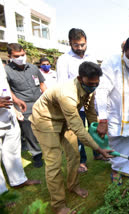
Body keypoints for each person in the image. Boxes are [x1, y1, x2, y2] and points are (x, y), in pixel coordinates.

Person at [30, 61, 114, 214]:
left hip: (64, 118)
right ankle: (58, 205)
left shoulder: (91, 86)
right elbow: (79, 129)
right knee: (54, 163)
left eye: (96, 83)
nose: (94, 86)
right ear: (80, 78)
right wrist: (98, 148)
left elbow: (89, 112)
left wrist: (97, 129)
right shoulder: (67, 93)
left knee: (74, 155)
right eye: (91, 83)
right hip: (45, 120)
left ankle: (73, 186)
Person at [96, 36, 129, 184]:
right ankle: (117, 169)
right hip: (117, 114)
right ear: (124, 50)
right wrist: (102, 119)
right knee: (119, 144)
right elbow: (102, 91)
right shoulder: (111, 63)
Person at [56, 28, 103, 174]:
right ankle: (81, 161)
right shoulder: (64, 60)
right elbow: (62, 85)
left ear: (86, 42)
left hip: (90, 100)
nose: (80, 48)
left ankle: (97, 153)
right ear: (70, 43)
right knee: (78, 133)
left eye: (82, 44)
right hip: (74, 103)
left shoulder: (91, 56)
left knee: (94, 127)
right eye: (76, 45)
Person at [0, 57, 40, 201]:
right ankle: (2, 192)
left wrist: (15, 101)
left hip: (8, 114)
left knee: (12, 152)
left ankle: (18, 181)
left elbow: (4, 85)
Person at [5, 43, 46, 168]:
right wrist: (15, 100)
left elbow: (42, 85)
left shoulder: (33, 68)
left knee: (45, 127)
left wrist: (48, 98)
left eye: (23, 55)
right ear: (10, 56)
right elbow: (6, 89)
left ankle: (49, 148)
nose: (21, 58)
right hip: (23, 105)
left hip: (39, 102)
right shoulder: (6, 71)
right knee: (29, 132)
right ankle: (37, 154)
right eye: (17, 56)